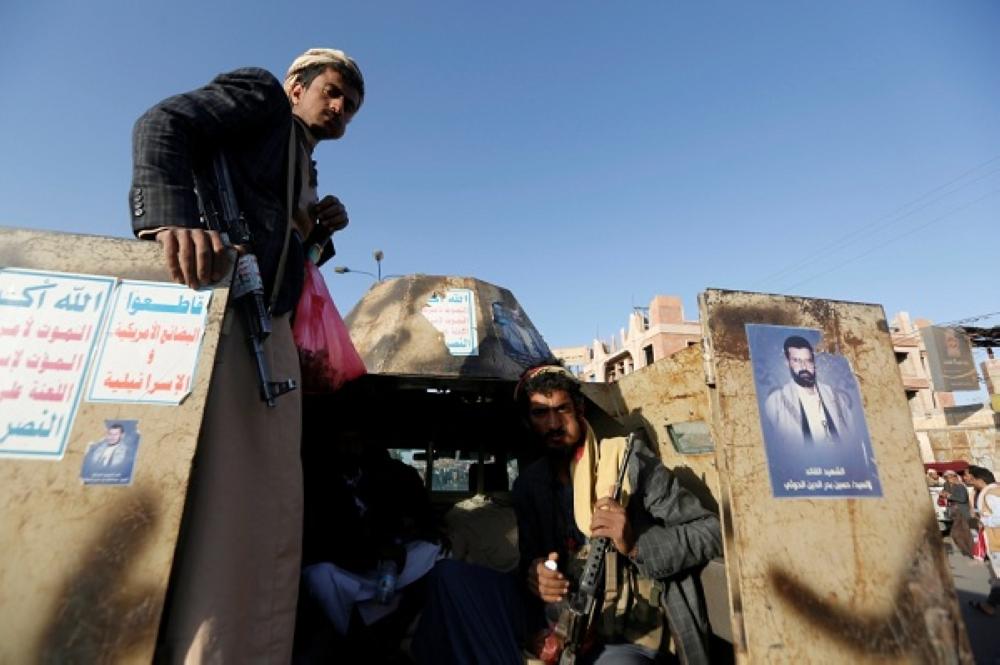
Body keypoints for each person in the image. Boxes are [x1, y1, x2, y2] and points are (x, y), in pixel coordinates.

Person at [129, 48, 364, 663]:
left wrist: (318, 233)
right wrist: (171, 220)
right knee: (229, 514)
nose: (340, 108)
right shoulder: (261, 98)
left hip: (269, 331)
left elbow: (288, 261)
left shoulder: (304, 164)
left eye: (350, 106)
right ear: (295, 86)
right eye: (333, 92)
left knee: (267, 512)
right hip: (226, 321)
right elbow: (162, 123)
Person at [513, 363, 722, 664]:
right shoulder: (529, 486)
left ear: (579, 409)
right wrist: (536, 577)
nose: (554, 423)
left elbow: (711, 530)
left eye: (562, 409)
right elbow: (528, 562)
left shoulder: (626, 462)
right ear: (528, 421)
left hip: (631, 635)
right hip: (564, 631)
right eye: (540, 413)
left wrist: (635, 544)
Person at [762, 336, 857, 447]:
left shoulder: (834, 396)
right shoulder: (776, 402)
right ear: (787, 363)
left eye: (808, 361)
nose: (804, 367)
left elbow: (852, 436)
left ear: (814, 363)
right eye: (797, 361)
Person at [966, 467, 1000, 617]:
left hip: (997, 542)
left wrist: (982, 521)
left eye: (969, 476)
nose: (967, 479)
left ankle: (989, 606)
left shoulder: (991, 494)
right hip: (995, 541)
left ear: (979, 479)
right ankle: (989, 605)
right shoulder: (989, 492)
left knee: (998, 576)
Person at [941, 470, 975, 558]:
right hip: (955, 513)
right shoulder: (947, 485)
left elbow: (963, 499)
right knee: (961, 533)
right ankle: (970, 552)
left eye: (951, 476)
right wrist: (943, 494)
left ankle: (972, 552)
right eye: (947, 477)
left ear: (955, 476)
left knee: (961, 533)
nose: (949, 479)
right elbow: (945, 493)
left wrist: (949, 496)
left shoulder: (960, 486)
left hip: (962, 511)